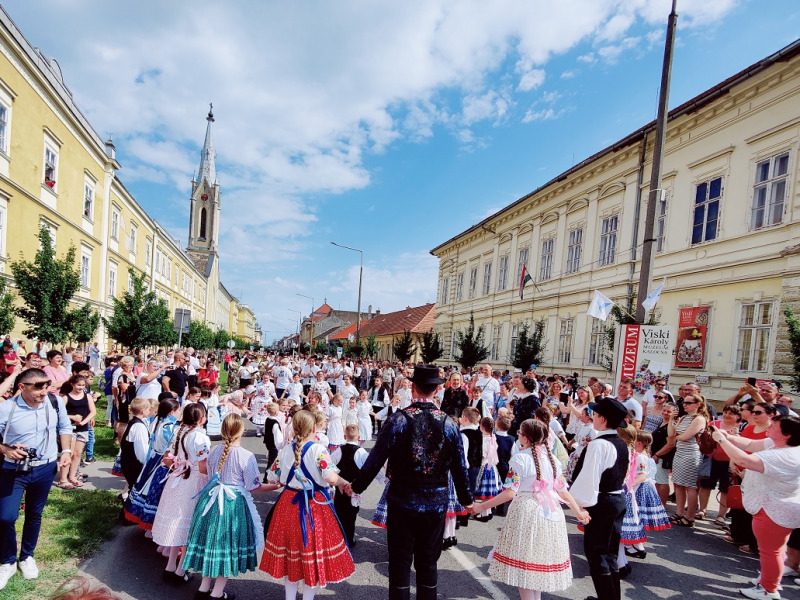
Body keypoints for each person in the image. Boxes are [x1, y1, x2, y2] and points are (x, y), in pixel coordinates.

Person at [349, 364, 473, 600]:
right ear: (436, 391)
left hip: (403, 500)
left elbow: (375, 460)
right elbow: (460, 467)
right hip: (435, 503)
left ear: (413, 389)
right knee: (428, 561)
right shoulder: (448, 423)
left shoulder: (399, 420)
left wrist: (355, 487)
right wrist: (467, 500)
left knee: (400, 560)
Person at [472, 419, 589, 600]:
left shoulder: (521, 458)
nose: (518, 435)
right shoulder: (553, 460)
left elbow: (511, 492)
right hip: (551, 513)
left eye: (519, 433)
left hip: (527, 512)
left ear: (525, 438)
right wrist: (578, 511)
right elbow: (563, 492)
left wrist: (482, 506)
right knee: (535, 567)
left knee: (525, 568)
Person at [260, 409, 355, 600]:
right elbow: (329, 477)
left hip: (288, 505)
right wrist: (344, 482)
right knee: (310, 554)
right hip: (313, 506)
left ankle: (290, 597)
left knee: (291, 556)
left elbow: (273, 477)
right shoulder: (318, 450)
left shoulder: (286, 450)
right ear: (313, 428)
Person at [183, 414, 279, 600]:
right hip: (231, 504)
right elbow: (254, 487)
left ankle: (203, 588)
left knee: (212, 544)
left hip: (211, 501)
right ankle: (217, 593)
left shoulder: (214, 451)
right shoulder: (246, 456)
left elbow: (206, 472)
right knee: (227, 546)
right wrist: (276, 486)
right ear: (241, 431)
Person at [711, 416, 800, 600]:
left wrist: (720, 440)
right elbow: (750, 444)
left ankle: (768, 589)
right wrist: (728, 436)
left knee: (771, 552)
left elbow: (742, 459)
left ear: (787, 434)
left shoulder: (780, 456)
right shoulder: (784, 446)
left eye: (774, 426)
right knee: (776, 550)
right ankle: (769, 580)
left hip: (772, 510)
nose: (769, 427)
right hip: (778, 507)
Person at [0, 368, 73, 589]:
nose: (45, 390)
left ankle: (27, 557)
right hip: (12, 469)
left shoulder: (54, 402)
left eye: (47, 384)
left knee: (34, 514)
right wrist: (5, 449)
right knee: (5, 517)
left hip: (44, 468)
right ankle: (7, 561)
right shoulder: (6, 408)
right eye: (38, 386)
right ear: (22, 387)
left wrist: (67, 451)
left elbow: (64, 426)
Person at [569, 397, 630, 600]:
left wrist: (580, 505)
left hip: (602, 503)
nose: (592, 417)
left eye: (594, 415)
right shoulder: (621, 443)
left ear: (602, 419)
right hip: (616, 500)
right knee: (609, 554)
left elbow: (589, 479)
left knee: (597, 555)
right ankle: (611, 597)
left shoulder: (599, 445)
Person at [151, 403, 210, 584]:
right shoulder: (200, 437)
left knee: (178, 525)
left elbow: (166, 458)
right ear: (202, 419)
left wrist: (178, 466)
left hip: (177, 480)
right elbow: (202, 466)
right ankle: (180, 570)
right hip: (193, 482)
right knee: (188, 526)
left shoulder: (179, 432)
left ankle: (171, 566)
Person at [668, 393, 708, 527]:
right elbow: (671, 434)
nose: (684, 405)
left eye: (688, 403)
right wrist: (671, 420)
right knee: (678, 484)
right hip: (679, 453)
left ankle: (690, 516)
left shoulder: (699, 419)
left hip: (691, 455)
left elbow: (684, 436)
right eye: (684, 403)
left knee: (690, 486)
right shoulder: (684, 417)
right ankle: (679, 512)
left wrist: (676, 437)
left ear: (697, 404)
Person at [332, 424, 368, 547]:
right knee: (351, 514)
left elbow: (331, 466)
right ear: (358, 436)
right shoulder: (362, 452)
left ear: (344, 436)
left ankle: (339, 537)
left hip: (340, 487)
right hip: (354, 488)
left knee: (339, 512)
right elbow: (368, 469)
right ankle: (349, 537)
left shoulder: (338, 451)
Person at [58, 375, 96, 489]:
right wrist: (72, 417)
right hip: (70, 428)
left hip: (83, 428)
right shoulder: (66, 398)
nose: (80, 387)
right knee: (69, 453)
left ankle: (73, 476)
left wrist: (84, 422)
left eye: (83, 385)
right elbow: (60, 413)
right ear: (72, 384)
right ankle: (63, 479)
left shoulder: (87, 396)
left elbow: (93, 411)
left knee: (78, 453)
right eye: (78, 385)